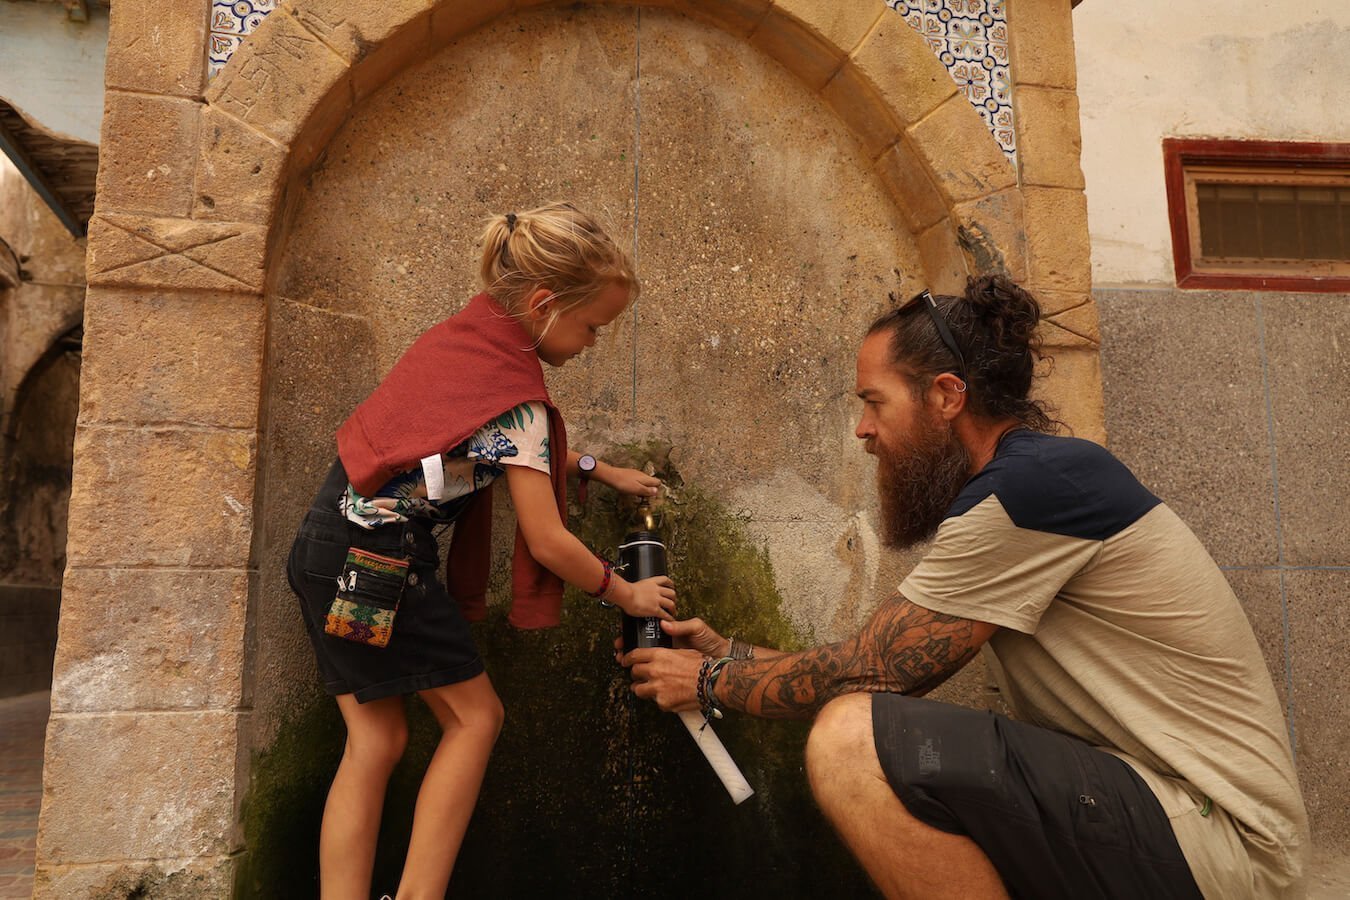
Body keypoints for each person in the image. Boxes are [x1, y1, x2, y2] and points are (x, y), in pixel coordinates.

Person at [623, 275, 1307, 899]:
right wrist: (731, 655)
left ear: (947, 396)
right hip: (1163, 816)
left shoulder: (1031, 490)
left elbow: (873, 672)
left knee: (850, 742)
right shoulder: (1031, 480)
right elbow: (869, 666)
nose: (863, 430)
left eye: (874, 402)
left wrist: (708, 681)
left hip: (1223, 842)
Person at [286, 202, 677, 900]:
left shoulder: (460, 346)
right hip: (380, 568)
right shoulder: (518, 398)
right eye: (593, 326)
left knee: (376, 742)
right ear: (544, 304)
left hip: (327, 550)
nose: (594, 343)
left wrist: (597, 469)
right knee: (476, 718)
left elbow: (490, 448)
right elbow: (549, 542)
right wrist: (627, 593)